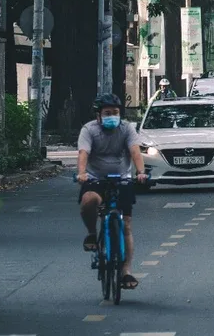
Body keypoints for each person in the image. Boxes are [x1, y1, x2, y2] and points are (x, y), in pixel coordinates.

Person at [77, 93, 148, 290]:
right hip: (95, 178)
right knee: (89, 200)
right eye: (107, 113)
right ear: (98, 115)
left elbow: (135, 151)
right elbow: (84, 153)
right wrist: (82, 173)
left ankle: (126, 271)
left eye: (115, 113)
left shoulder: (127, 129)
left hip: (122, 179)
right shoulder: (88, 130)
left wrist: (141, 172)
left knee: (126, 224)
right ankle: (92, 233)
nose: (112, 116)